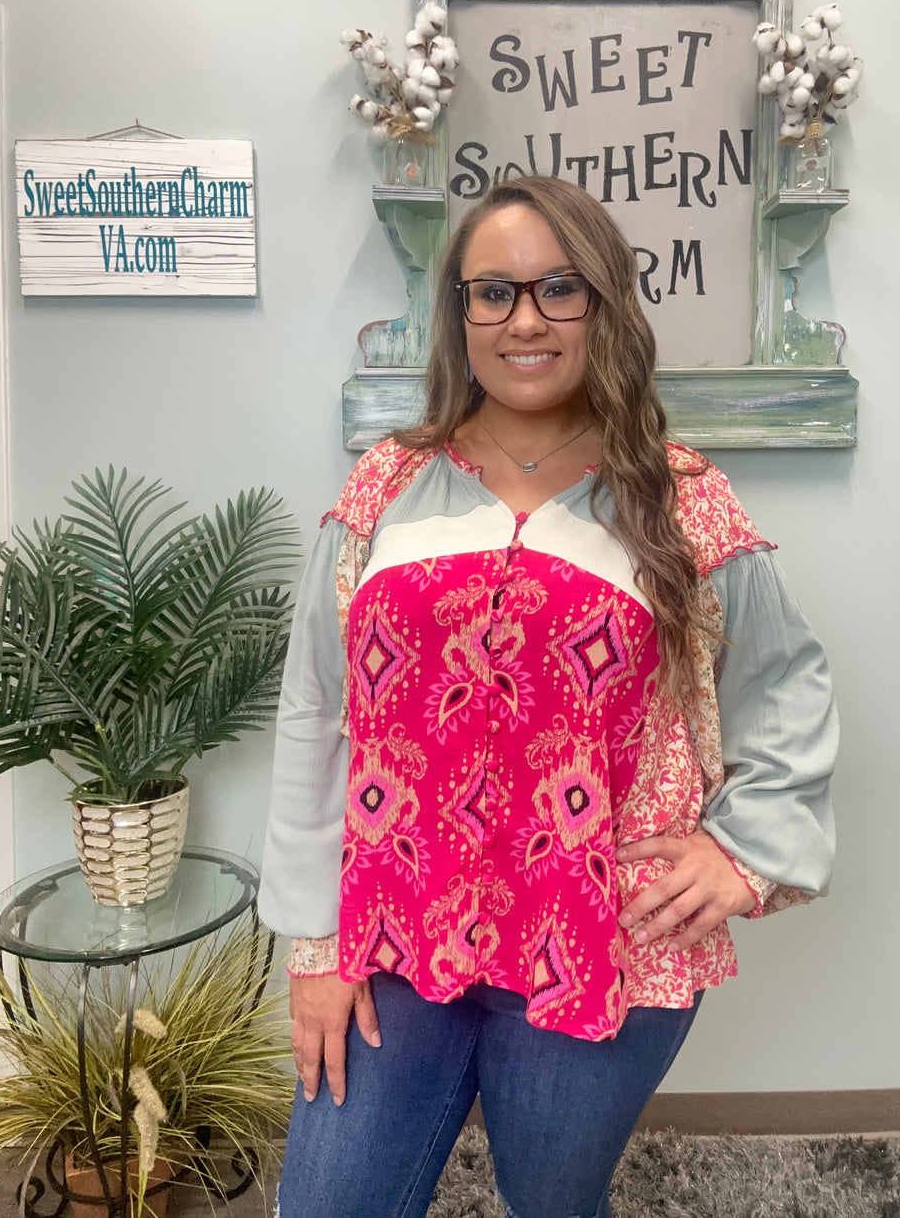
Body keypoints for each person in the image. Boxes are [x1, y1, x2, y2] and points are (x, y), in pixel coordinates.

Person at [259, 175, 836, 1218]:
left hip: (602, 941)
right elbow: (314, 711)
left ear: (603, 304)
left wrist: (743, 850)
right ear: (462, 315)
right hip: (392, 935)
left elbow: (783, 680)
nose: (523, 318)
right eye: (494, 292)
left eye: (558, 288)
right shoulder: (387, 487)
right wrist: (314, 945)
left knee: (552, 1203)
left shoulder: (679, 496)